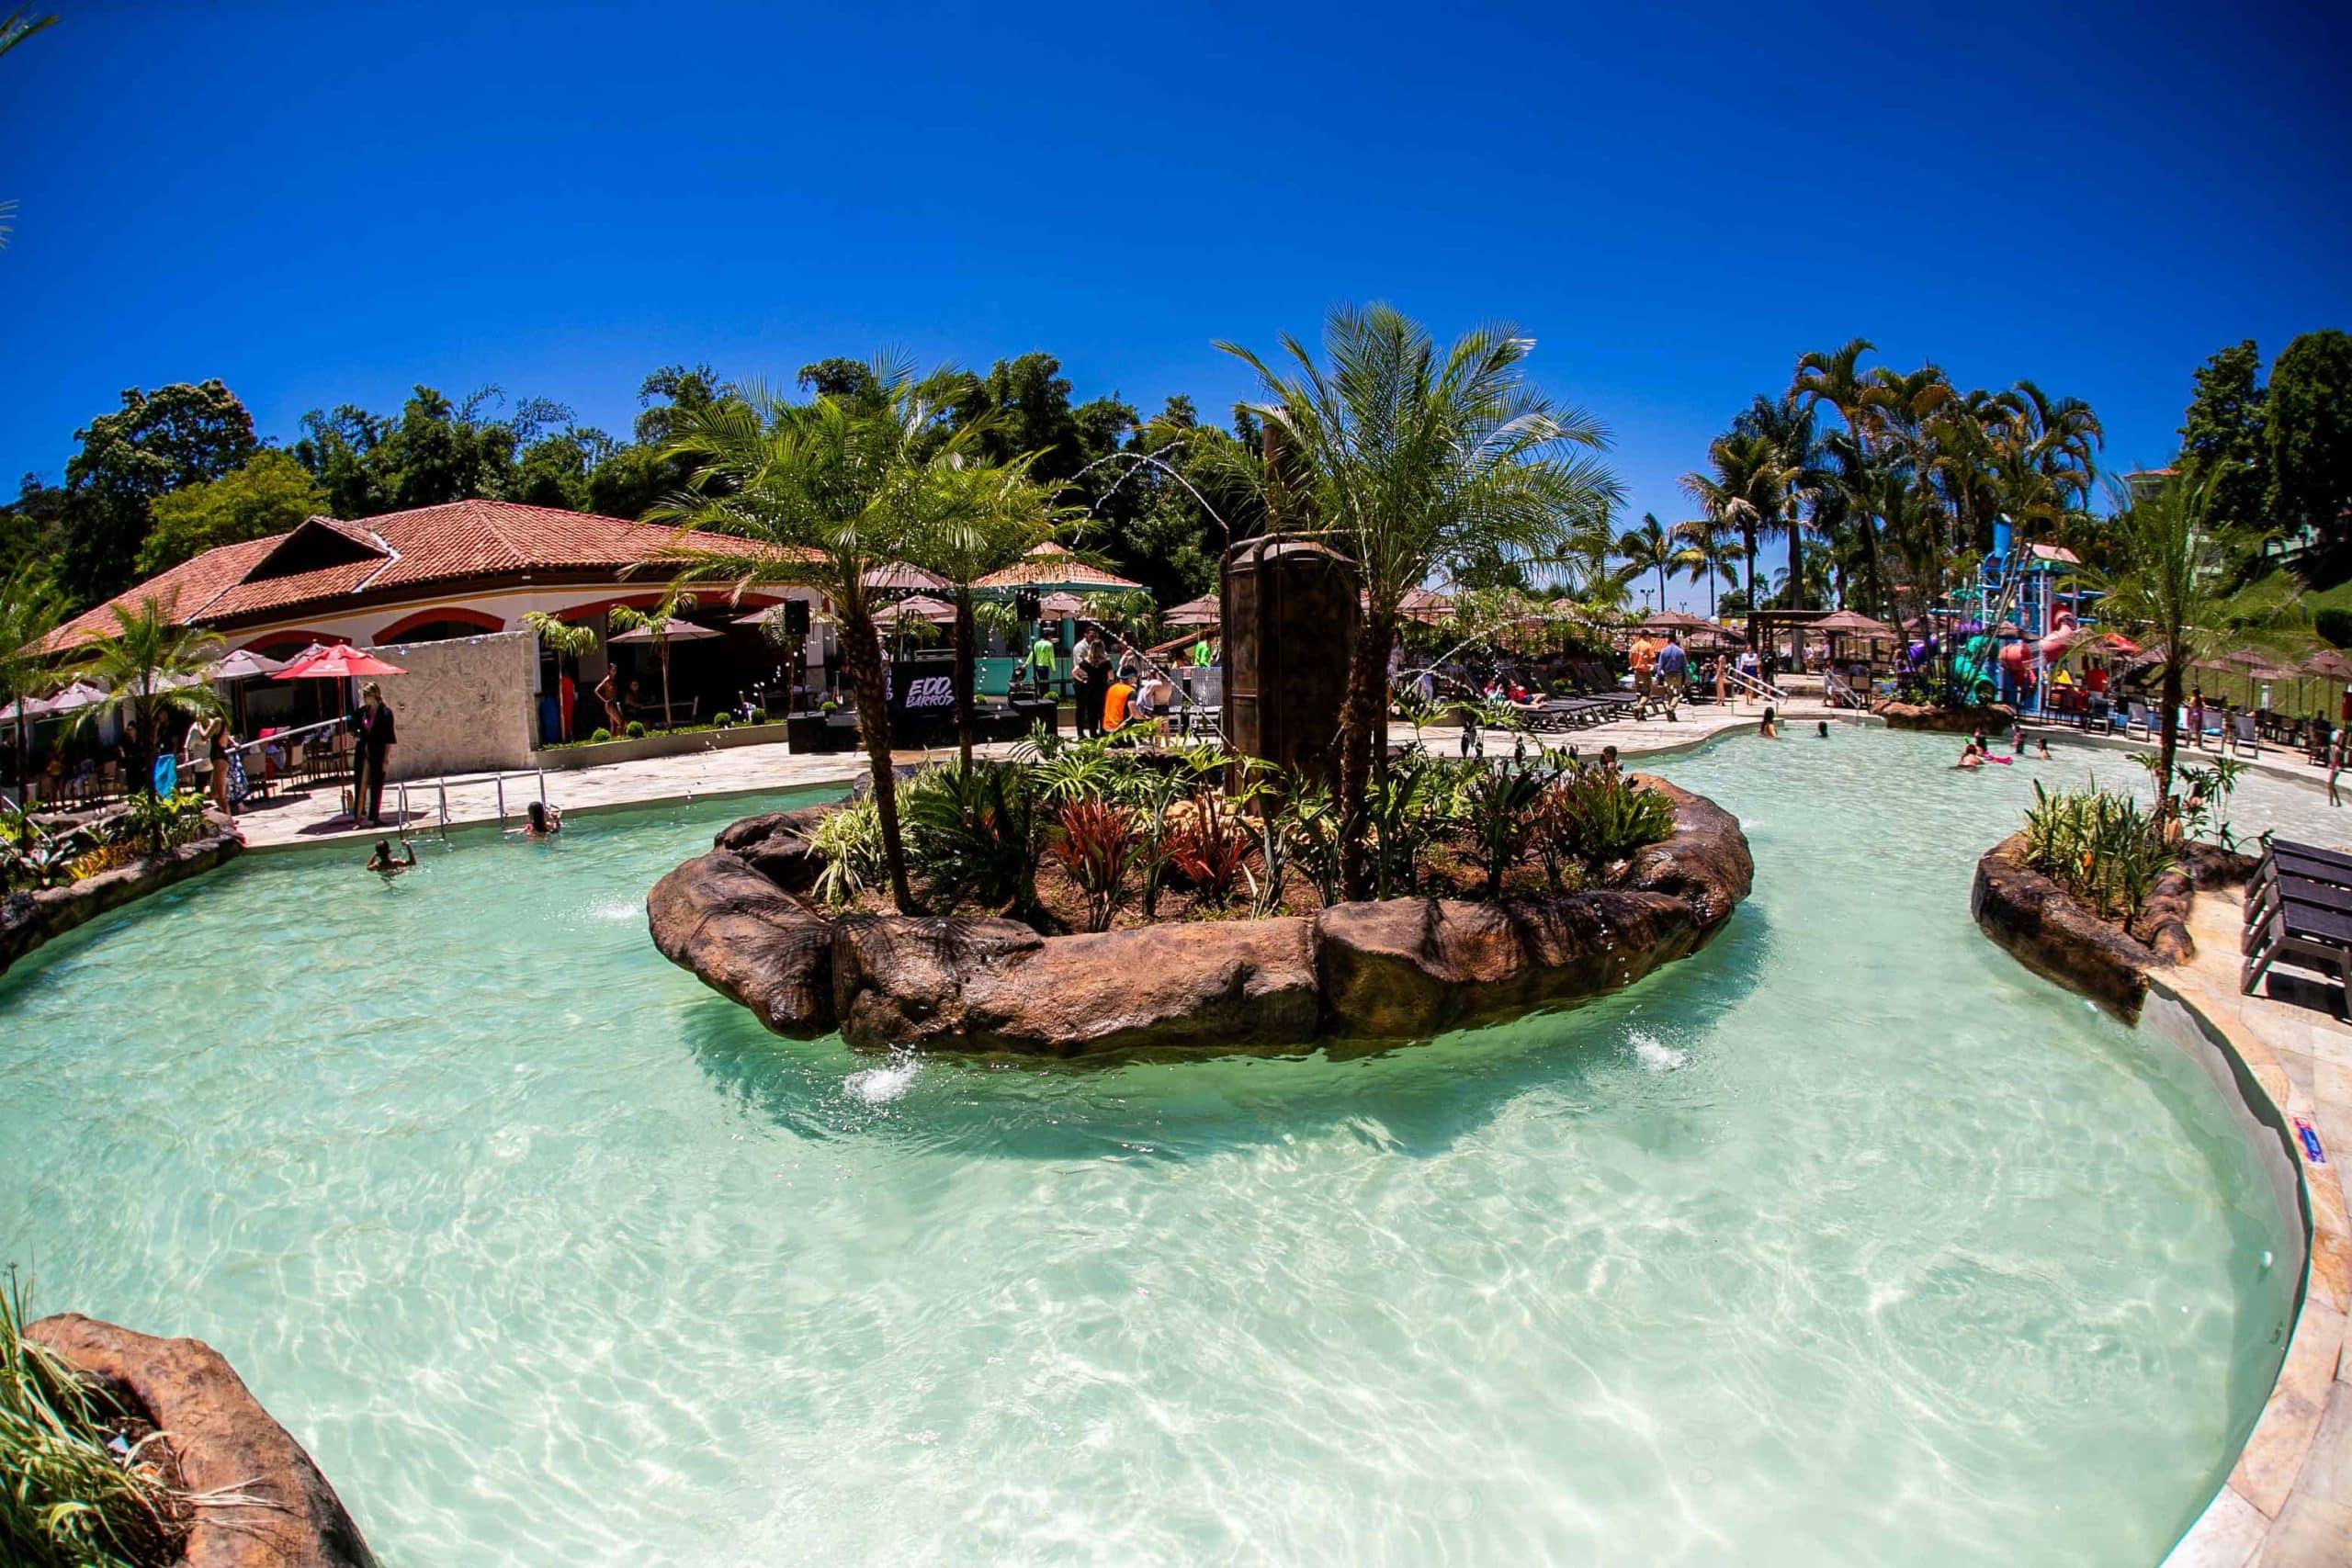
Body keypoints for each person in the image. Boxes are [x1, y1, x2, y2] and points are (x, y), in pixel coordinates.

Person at [349, 681, 398, 827]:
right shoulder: (362, 712)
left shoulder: (385, 713)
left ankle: (374, 816)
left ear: (375, 695)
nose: (365, 698)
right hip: (362, 751)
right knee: (360, 784)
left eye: (367, 695)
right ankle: (358, 817)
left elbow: (389, 738)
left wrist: (386, 758)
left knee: (376, 784)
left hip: (377, 751)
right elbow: (354, 728)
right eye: (364, 695)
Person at [1654, 632, 1688, 720]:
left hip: (1667, 675)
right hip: (1677, 675)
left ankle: (1671, 715)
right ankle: (1671, 709)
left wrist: (1657, 677)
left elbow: (1660, 666)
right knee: (1677, 694)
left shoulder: (1664, 651)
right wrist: (1688, 677)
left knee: (1670, 694)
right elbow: (1685, 666)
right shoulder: (1680, 651)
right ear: (1675, 640)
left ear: (1668, 640)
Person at [1629, 633, 1657, 715]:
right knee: (1646, 693)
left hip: (1636, 671)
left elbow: (1630, 658)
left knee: (1639, 692)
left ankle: (1640, 714)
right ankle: (1639, 708)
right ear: (1646, 636)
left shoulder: (1634, 646)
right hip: (1645, 672)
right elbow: (1652, 659)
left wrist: (1633, 665)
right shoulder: (1648, 646)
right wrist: (1652, 667)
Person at [1102, 663, 1136, 731]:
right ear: (1131, 678)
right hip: (1120, 729)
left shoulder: (1111, 688)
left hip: (1107, 727)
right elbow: (1135, 714)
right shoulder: (1131, 691)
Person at [1028, 627, 1059, 697]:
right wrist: (1053, 668)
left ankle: (1040, 696)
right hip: (1045, 666)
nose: (1052, 638)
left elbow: (1032, 654)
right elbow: (1051, 657)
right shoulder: (1049, 645)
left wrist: (1026, 663)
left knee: (1039, 682)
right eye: (1051, 636)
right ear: (1049, 636)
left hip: (1037, 666)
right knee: (1045, 683)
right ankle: (1045, 697)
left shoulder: (1037, 643)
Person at [594, 667, 624, 733]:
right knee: (621, 722)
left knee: (613, 724)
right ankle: (621, 738)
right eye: (613, 670)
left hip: (614, 703)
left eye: (616, 669)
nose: (614, 671)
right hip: (610, 704)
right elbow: (596, 690)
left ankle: (613, 739)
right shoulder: (607, 680)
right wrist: (605, 700)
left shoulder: (613, 679)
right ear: (609, 670)